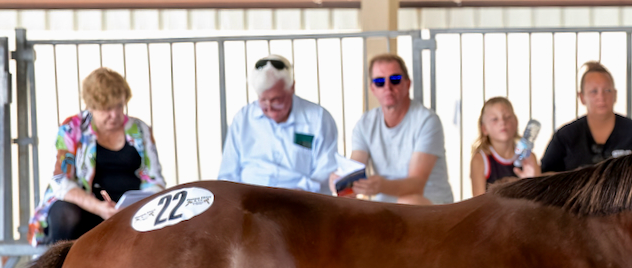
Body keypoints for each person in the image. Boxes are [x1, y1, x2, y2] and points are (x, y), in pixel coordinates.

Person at [27, 67, 165, 245]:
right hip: (86, 210)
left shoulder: (140, 129)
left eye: (119, 106)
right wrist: (98, 207)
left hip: (131, 211)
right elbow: (60, 181)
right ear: (91, 107)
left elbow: (154, 180)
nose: (114, 115)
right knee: (66, 214)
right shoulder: (72, 128)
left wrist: (138, 206)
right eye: (106, 109)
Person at [337, 54, 453, 205]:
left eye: (395, 79)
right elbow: (354, 171)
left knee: (409, 202)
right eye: (379, 82)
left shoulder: (427, 120)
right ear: (372, 88)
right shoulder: (365, 123)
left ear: (407, 84)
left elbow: (416, 185)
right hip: (386, 207)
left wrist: (381, 186)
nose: (387, 87)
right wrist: (342, 182)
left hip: (430, 205)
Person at [218, 55, 339, 195]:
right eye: (263, 100)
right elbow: (228, 172)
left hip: (301, 201)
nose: (269, 108)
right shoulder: (243, 118)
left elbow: (326, 168)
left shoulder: (318, 118)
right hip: (250, 202)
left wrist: (297, 195)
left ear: (292, 87)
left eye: (277, 100)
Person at [538, 61, 632, 173]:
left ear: (615, 95)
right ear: (582, 97)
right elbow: (545, 178)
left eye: (607, 90)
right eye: (594, 91)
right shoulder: (565, 137)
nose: (601, 97)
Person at [469, 97, 540, 196]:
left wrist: (531, 183)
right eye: (495, 119)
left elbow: (539, 201)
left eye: (507, 117)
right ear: (484, 129)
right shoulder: (480, 160)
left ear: (516, 122)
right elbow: (478, 203)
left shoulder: (529, 158)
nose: (502, 122)